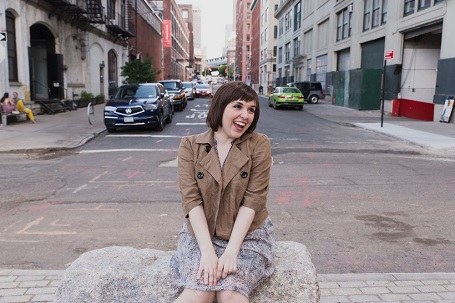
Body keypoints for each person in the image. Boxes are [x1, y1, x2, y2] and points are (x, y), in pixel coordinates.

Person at [170, 81, 275, 303]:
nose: (245, 115)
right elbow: (191, 201)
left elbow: (253, 201)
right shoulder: (190, 146)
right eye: (237, 106)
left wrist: (231, 252)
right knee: (202, 288)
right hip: (200, 234)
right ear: (220, 107)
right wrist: (208, 253)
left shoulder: (259, 145)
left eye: (251, 109)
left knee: (230, 293)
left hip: (247, 235)